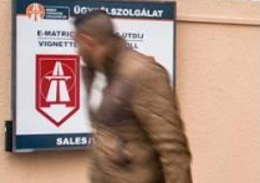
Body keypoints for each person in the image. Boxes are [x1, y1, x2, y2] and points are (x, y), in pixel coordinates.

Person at [73, 10, 193, 183]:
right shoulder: (98, 74)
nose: (77, 52)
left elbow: (172, 148)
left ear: (88, 41)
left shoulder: (143, 73)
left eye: (77, 43)